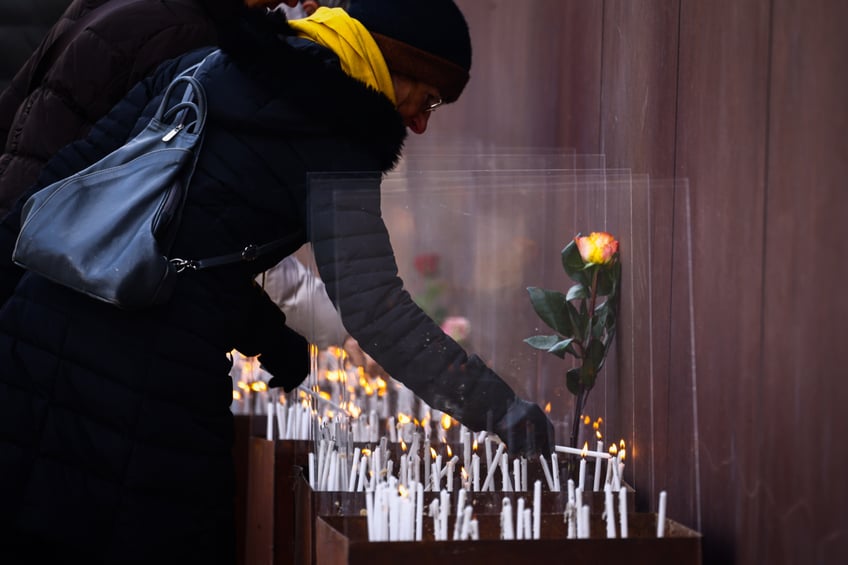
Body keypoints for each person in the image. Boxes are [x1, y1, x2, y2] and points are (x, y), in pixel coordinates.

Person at [0, 1, 554, 562]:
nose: (420, 122)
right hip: (147, 390)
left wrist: (270, 337)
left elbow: (78, 183)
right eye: (429, 98)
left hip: (35, 342)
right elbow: (377, 310)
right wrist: (499, 410)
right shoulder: (342, 137)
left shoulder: (205, 66)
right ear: (392, 61)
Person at [0, 0, 291, 218]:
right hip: (53, 218)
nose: (291, 3)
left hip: (25, 196)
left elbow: (21, 92)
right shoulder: (191, 33)